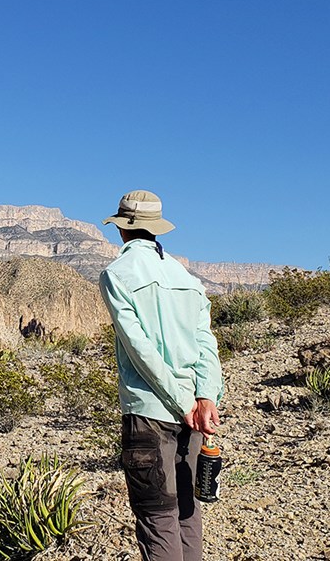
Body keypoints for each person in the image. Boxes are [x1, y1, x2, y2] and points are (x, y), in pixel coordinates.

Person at [99, 190, 224, 561]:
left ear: (122, 228)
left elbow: (141, 351)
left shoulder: (117, 275)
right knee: (188, 512)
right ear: (156, 229)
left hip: (149, 414)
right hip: (194, 417)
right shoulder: (187, 278)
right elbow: (206, 344)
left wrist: (183, 401)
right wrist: (205, 398)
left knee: (157, 518)